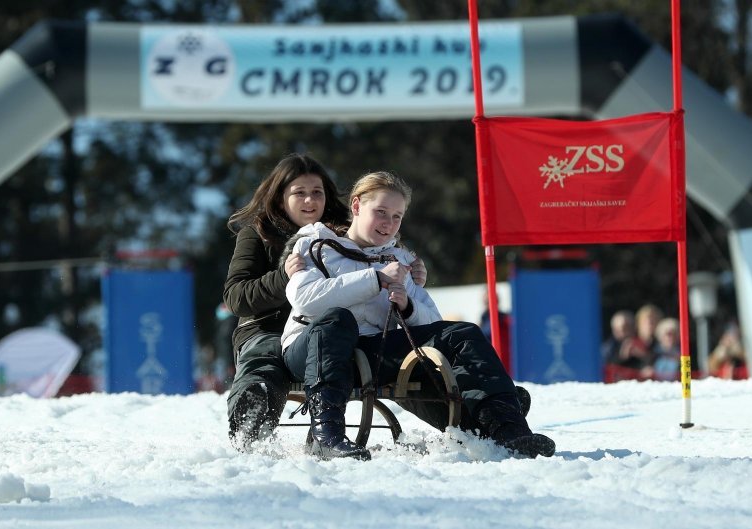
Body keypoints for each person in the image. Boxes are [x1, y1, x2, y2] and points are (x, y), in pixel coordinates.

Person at [281, 171, 555, 461]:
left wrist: (408, 307)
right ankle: (328, 436)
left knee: (461, 334)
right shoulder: (314, 246)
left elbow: (433, 325)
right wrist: (373, 279)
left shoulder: (399, 260)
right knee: (337, 320)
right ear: (357, 206)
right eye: (381, 212)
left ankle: (508, 429)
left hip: (373, 351)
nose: (388, 224)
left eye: (397, 216)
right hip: (312, 350)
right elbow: (305, 299)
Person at [222, 153, 430, 452]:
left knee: (391, 358)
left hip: (341, 329)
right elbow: (237, 297)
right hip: (271, 329)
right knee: (266, 359)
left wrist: (413, 272)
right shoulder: (259, 235)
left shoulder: (344, 232)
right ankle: (250, 418)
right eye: (299, 193)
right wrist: (284, 278)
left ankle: (476, 409)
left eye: (317, 192)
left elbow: (386, 253)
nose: (310, 201)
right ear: (280, 198)